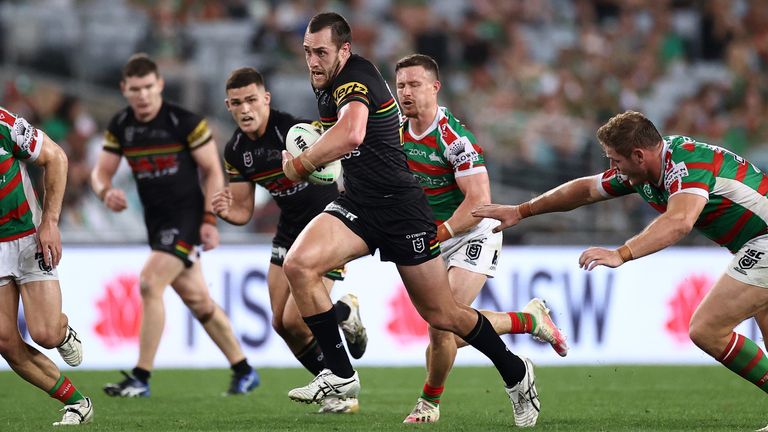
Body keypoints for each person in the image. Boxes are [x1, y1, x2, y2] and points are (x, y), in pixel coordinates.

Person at [281, 12, 541, 427]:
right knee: (299, 264)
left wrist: (302, 163)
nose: (312, 60)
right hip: (360, 205)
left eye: (321, 52)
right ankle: (341, 375)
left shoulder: (356, 77)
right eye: (308, 52)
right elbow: (340, 137)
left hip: (403, 211)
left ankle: (515, 372)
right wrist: (304, 146)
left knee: (445, 317)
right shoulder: (329, 84)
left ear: (344, 51)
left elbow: (351, 134)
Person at [473, 110, 768, 426]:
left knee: (707, 329)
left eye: (615, 161)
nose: (613, 169)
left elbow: (680, 221)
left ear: (639, 155)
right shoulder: (646, 169)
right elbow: (585, 189)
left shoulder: (687, 165)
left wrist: (623, 253)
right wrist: (522, 210)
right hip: (753, 243)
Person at [395, 53, 569, 423]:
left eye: (414, 84)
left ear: (435, 88)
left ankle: (429, 403)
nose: (405, 92)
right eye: (401, 86)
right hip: (429, 239)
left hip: (472, 231)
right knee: (450, 327)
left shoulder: (454, 139)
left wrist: (441, 232)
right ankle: (529, 320)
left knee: (444, 325)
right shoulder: (395, 130)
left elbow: (479, 199)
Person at [91, 54, 258, 398]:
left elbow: (212, 170)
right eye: (135, 89)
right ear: (124, 89)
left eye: (149, 87)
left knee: (150, 284)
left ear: (160, 85)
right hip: (157, 224)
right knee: (199, 301)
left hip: (187, 218)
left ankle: (141, 377)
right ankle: (244, 370)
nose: (143, 95)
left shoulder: (184, 122)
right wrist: (105, 191)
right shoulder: (122, 125)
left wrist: (210, 220)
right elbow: (100, 172)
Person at [211, 67, 367, 413]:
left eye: (252, 99)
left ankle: (344, 311)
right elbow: (243, 212)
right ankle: (338, 393)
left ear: (266, 99)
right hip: (289, 230)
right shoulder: (236, 149)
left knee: (298, 320)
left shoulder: (294, 131)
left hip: (327, 225)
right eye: (237, 103)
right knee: (281, 324)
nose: (245, 109)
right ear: (228, 106)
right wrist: (225, 210)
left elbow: (336, 163)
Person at [0, 106, 93, 425]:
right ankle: (78, 403)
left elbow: (56, 158)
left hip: (29, 235)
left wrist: (50, 222)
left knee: (45, 333)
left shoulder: (3, 124)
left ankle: (62, 332)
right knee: (4, 339)